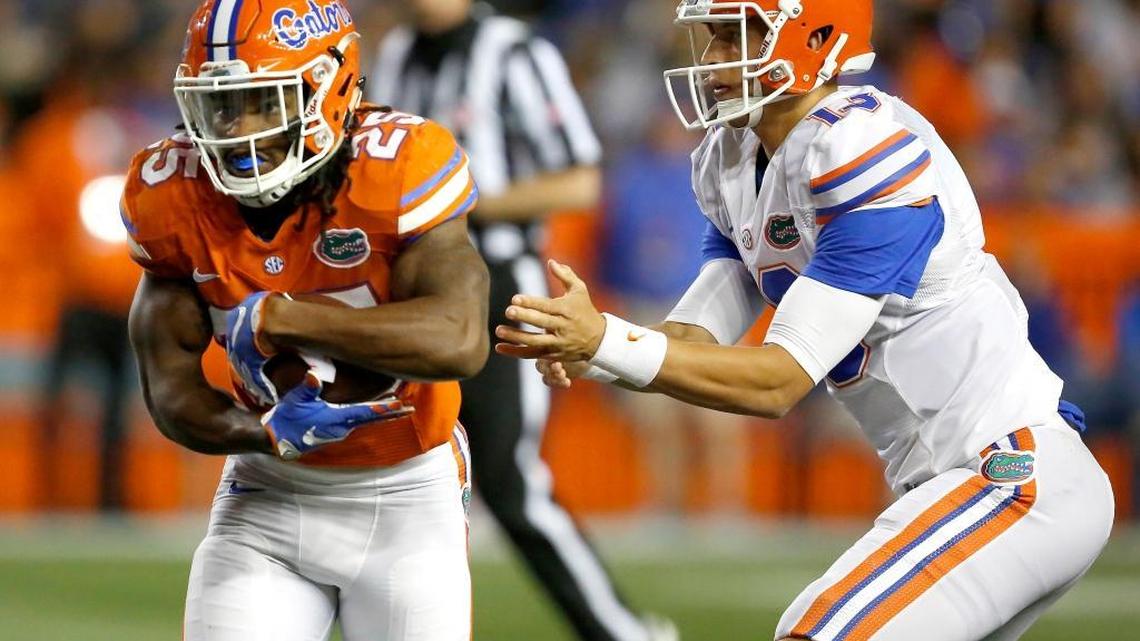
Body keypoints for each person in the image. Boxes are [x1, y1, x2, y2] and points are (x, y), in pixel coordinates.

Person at [496, 1, 1115, 640]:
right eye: (710, 36)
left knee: (817, 632)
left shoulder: (864, 148)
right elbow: (701, 327)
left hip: (1009, 475)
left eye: (739, 35)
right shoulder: (736, 155)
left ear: (815, 37)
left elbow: (779, 382)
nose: (711, 59)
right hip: (955, 483)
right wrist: (595, 348)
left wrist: (607, 339)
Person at [123, 1, 488, 639]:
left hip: (406, 492)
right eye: (219, 106)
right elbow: (171, 391)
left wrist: (285, 319)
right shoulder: (172, 195)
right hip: (266, 495)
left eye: (262, 101)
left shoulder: (400, 164)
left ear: (330, 86)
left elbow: (458, 339)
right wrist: (261, 433)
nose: (235, 130)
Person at [370, 3, 675, 641]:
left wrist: (458, 204)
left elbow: (580, 181)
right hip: (408, 290)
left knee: (511, 483)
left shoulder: (513, 51)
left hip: (500, 283)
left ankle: (623, 633)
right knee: (392, 471)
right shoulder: (395, 51)